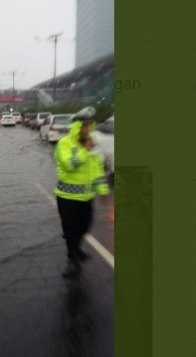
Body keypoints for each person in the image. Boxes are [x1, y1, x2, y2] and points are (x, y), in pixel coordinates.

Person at [54, 106, 110, 278]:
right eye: (83, 126)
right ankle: (72, 260)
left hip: (86, 197)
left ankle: (77, 248)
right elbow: (69, 165)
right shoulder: (64, 144)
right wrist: (85, 150)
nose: (87, 129)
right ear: (76, 127)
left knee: (86, 226)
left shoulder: (93, 146)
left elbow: (98, 169)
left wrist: (102, 189)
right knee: (71, 229)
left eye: (88, 126)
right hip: (67, 196)